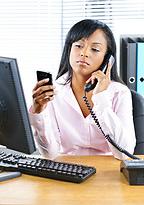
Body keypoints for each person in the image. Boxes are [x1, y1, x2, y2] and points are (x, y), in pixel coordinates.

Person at [29, 19, 136, 160]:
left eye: (95, 49)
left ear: (107, 59)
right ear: (70, 49)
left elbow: (124, 153)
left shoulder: (120, 93)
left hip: (108, 173)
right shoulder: (55, 92)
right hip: (69, 170)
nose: (84, 53)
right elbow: (50, 154)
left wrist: (101, 99)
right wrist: (38, 112)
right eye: (79, 46)